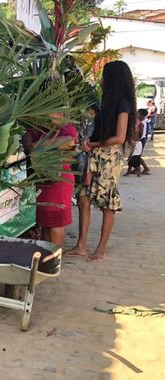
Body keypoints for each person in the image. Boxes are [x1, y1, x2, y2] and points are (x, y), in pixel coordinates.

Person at [65, 60, 136, 261]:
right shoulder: (108, 102)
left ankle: (101, 249)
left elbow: (120, 137)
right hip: (96, 156)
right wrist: (89, 142)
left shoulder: (123, 103)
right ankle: (81, 245)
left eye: (105, 76)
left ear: (113, 78)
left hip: (109, 158)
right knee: (83, 199)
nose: (102, 80)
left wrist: (94, 145)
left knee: (107, 204)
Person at [24, 116, 77, 247]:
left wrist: (37, 145)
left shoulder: (68, 129)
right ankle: (46, 256)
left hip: (59, 181)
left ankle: (54, 259)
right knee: (46, 222)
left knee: (56, 223)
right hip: (43, 181)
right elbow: (26, 139)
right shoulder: (41, 129)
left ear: (61, 113)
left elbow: (68, 142)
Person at [123, 111, 144, 177]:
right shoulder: (140, 125)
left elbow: (132, 149)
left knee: (131, 162)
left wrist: (129, 156)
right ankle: (138, 173)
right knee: (137, 162)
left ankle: (129, 173)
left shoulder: (137, 126)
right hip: (138, 143)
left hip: (136, 144)